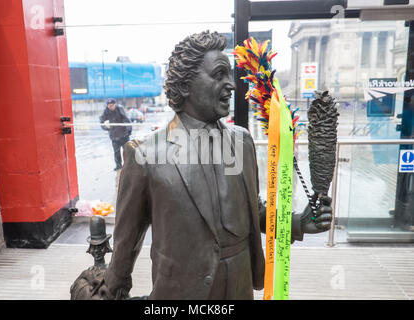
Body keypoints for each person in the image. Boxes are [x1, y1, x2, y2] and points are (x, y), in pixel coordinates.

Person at [101, 31, 332, 300]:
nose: (231, 85)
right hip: (180, 293)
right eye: (219, 74)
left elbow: (251, 209)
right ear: (186, 85)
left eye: (230, 75)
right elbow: (127, 240)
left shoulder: (242, 141)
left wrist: (297, 224)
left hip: (239, 286)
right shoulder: (144, 154)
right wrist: (115, 286)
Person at [99, 98, 132, 170]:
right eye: (109, 105)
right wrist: (106, 127)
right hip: (114, 136)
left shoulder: (120, 109)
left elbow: (127, 119)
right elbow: (101, 122)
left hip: (124, 135)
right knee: (116, 152)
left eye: (112, 105)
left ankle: (128, 166)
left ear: (115, 104)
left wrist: (129, 131)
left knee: (127, 151)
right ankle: (118, 166)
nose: (111, 107)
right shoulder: (106, 112)